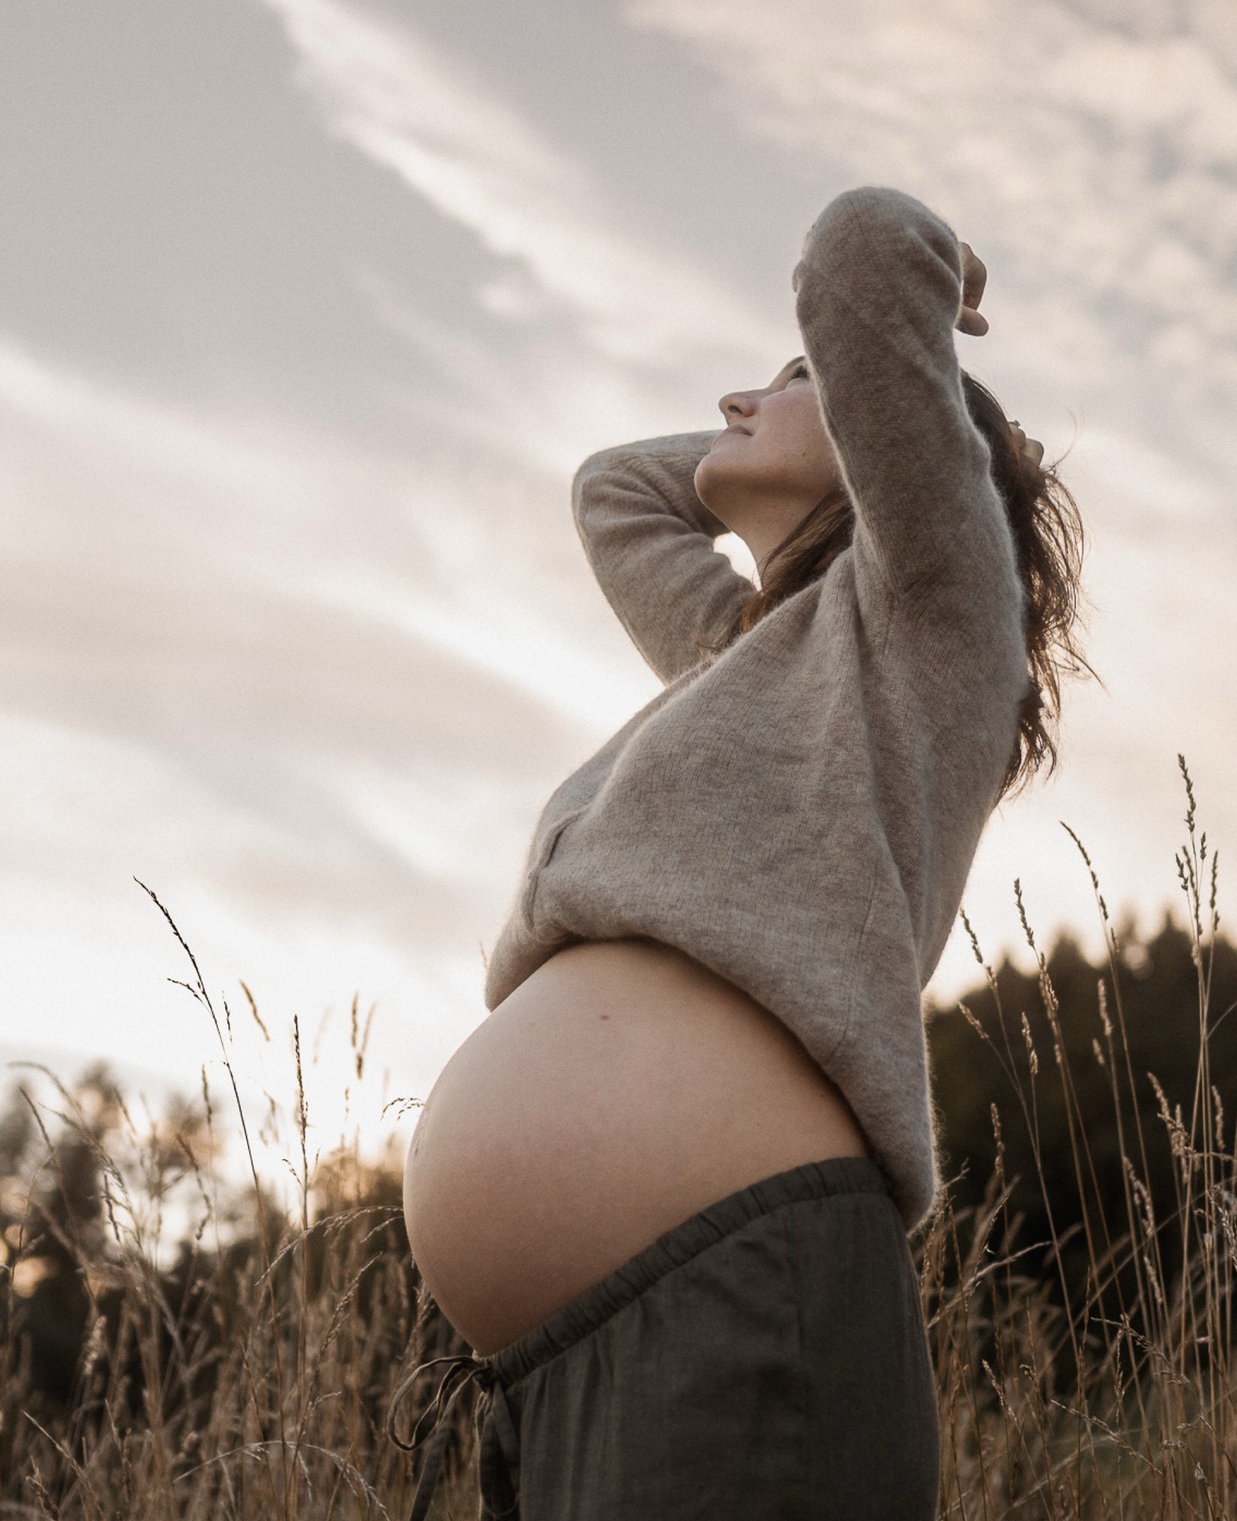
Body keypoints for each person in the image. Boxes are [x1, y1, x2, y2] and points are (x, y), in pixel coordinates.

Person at [400, 186, 1086, 1519]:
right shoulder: (753, 662)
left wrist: (921, 307)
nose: (736, 400)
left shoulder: (937, 621)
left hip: (736, 1305)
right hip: (566, 1362)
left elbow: (860, 250)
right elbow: (617, 492)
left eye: (796, 380)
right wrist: (769, 435)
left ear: (904, 434)